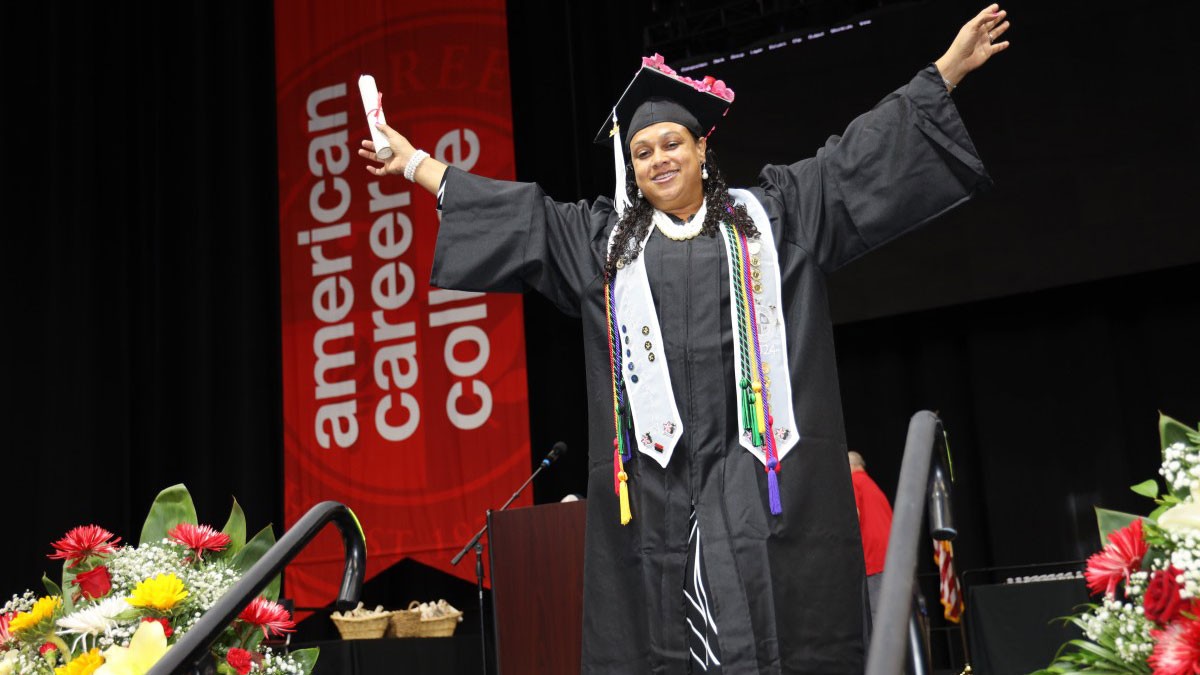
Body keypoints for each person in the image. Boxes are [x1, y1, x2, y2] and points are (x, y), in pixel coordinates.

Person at [360, 6, 1008, 672]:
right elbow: (522, 218)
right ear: (631, 167)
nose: (659, 159)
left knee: (776, 631)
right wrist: (413, 163)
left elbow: (854, 161)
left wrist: (948, 70)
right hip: (655, 494)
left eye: (672, 143)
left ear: (702, 149)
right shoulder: (603, 246)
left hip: (760, 484)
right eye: (643, 151)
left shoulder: (772, 219)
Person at [848, 450, 894, 622]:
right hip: (892, 561)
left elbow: (853, 516)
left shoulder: (852, 481)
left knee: (878, 622)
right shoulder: (872, 486)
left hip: (874, 561)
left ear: (849, 467)